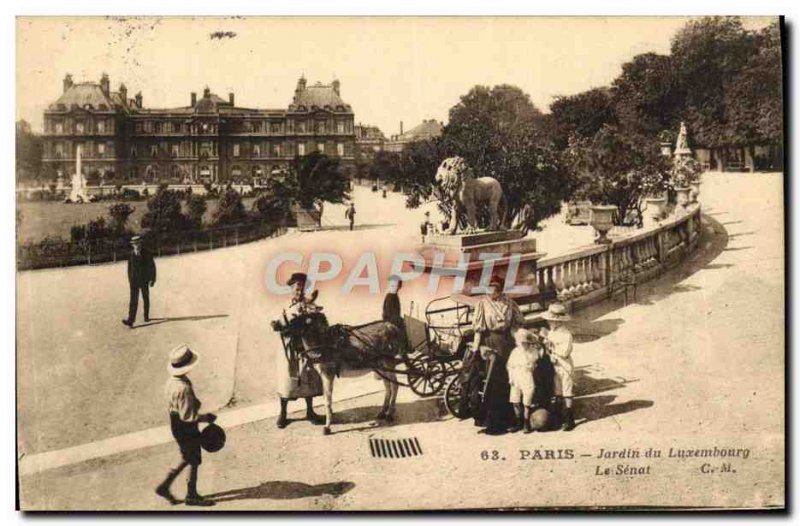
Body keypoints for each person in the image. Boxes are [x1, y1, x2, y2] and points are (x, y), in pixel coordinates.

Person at [156, 344, 217, 506]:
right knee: (194, 459)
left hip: (175, 423)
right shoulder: (183, 388)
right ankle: (191, 495)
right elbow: (188, 417)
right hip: (186, 427)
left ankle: (165, 485)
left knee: (187, 456)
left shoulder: (172, 382)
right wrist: (207, 418)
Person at [471, 276, 524, 435]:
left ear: (500, 289)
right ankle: (493, 423)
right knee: (492, 383)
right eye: (489, 288)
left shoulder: (509, 303)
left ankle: (510, 419)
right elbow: (478, 330)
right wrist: (476, 349)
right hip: (490, 344)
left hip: (507, 344)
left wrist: (520, 343)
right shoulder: (482, 304)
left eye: (495, 288)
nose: (491, 291)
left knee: (507, 381)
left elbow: (516, 325)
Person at [275, 272, 324, 429]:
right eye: (297, 286)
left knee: (308, 376)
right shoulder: (284, 305)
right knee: (287, 380)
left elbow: (316, 316)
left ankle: (310, 411)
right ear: (291, 288)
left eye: (302, 286)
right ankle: (283, 414)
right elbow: (278, 322)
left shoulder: (307, 304)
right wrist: (279, 326)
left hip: (305, 346)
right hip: (289, 347)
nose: (300, 289)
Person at [542, 303, 576, 431]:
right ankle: (558, 417)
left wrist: (553, 350)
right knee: (557, 390)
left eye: (551, 321)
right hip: (555, 365)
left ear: (558, 321)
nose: (549, 323)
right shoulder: (552, 332)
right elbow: (549, 346)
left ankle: (569, 418)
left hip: (564, 365)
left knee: (567, 391)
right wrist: (547, 343)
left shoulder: (566, 335)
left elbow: (565, 352)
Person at [506, 328, 541, 433]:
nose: (522, 344)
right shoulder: (515, 352)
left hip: (527, 376)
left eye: (525, 342)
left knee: (527, 402)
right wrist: (510, 377)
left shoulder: (533, 352)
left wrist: (530, 362)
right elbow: (509, 366)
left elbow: (534, 363)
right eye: (521, 342)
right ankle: (518, 422)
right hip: (516, 376)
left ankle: (526, 423)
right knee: (515, 401)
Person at [122, 235, 156, 328]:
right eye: (134, 244)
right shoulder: (131, 254)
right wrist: (130, 279)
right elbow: (129, 269)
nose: (136, 245)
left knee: (145, 298)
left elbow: (152, 267)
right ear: (132, 245)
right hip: (134, 281)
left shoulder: (147, 253)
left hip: (144, 280)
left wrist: (152, 279)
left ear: (141, 243)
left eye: (137, 243)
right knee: (133, 300)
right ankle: (131, 320)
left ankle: (146, 315)